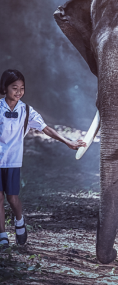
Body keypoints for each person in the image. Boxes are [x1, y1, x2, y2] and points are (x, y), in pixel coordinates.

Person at [0, 69, 86, 249]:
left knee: (12, 198)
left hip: (13, 161)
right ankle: (2, 234)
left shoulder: (27, 110)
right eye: (14, 87)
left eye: (22, 88)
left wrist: (67, 141)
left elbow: (45, 128)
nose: (18, 92)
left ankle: (19, 220)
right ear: (4, 88)